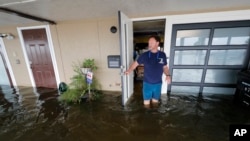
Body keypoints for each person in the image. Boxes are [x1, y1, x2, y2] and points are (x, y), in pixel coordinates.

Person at [125, 35, 171, 106]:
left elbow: (165, 67)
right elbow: (135, 64)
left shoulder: (162, 55)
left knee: (155, 102)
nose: (149, 44)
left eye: (152, 42)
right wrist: (129, 70)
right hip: (147, 84)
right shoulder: (144, 55)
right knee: (146, 104)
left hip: (158, 84)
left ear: (157, 43)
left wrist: (168, 75)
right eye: (149, 42)